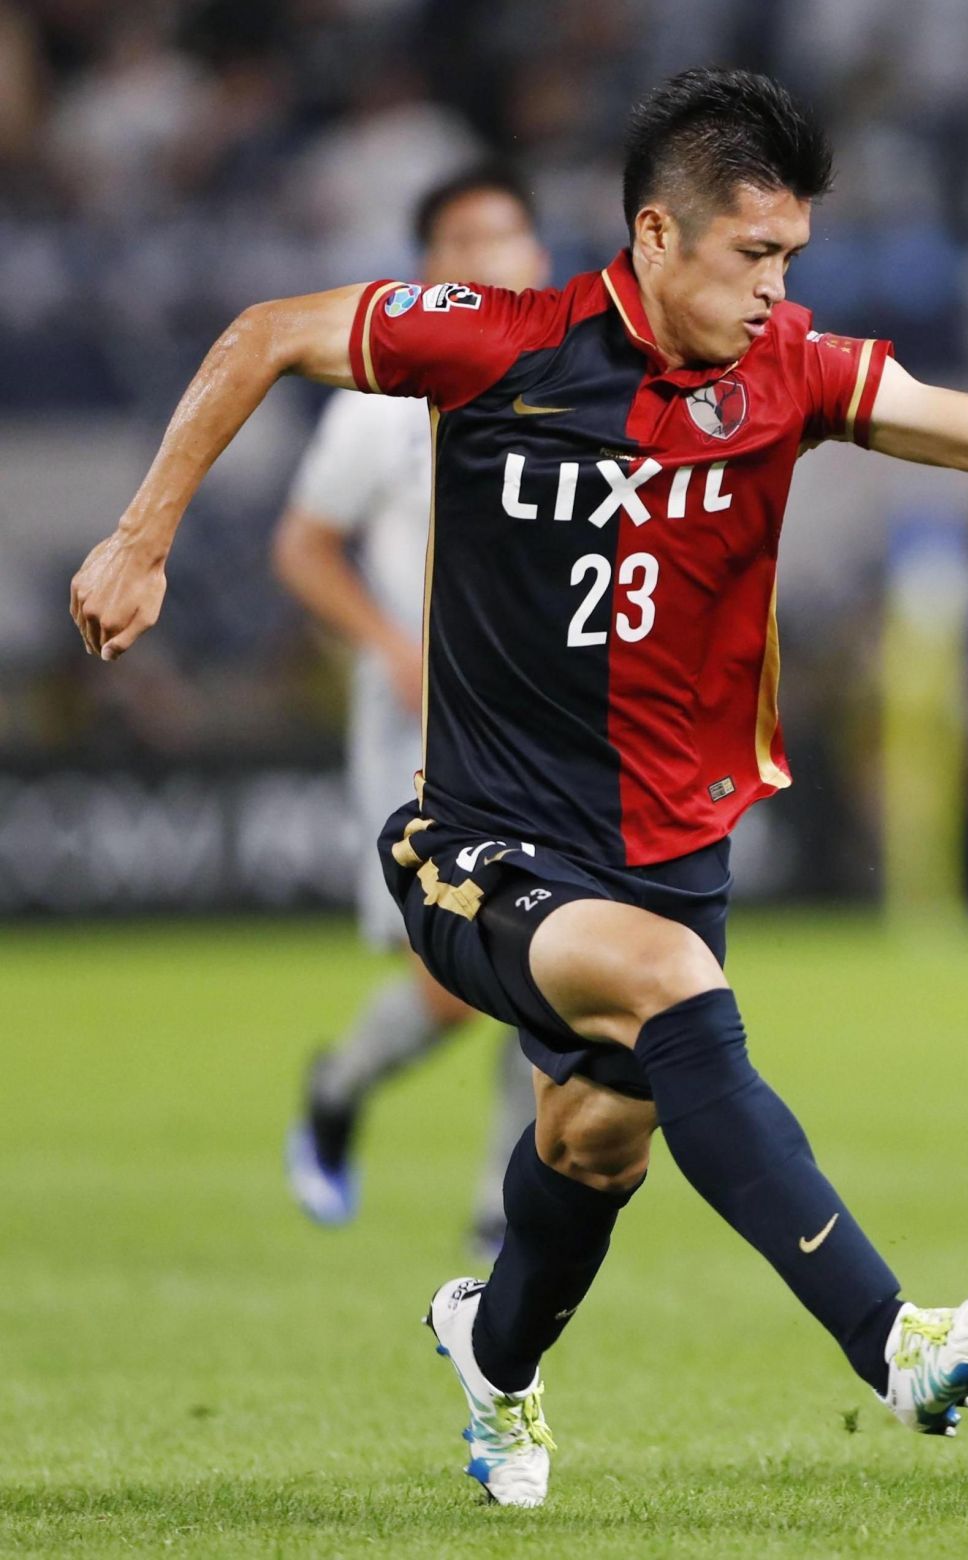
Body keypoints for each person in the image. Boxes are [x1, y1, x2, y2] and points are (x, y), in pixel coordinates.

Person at [69, 67, 968, 1509]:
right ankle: (892, 1341)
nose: (778, 287)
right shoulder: (501, 343)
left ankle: (495, 1358)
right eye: (755, 255)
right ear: (656, 237)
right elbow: (262, 335)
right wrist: (141, 539)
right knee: (670, 986)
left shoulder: (791, 369)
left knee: (594, 1147)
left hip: (668, 844)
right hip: (478, 836)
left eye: (792, 256)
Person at [278, 166, 548, 1254]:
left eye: (510, 233)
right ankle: (340, 1086)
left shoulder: (575, 381)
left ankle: (502, 1211)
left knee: (553, 954)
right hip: (420, 723)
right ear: (431, 270)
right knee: (455, 985)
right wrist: (389, 643)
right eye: (466, 240)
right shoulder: (380, 404)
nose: (492, 255)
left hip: (538, 718)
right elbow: (301, 546)